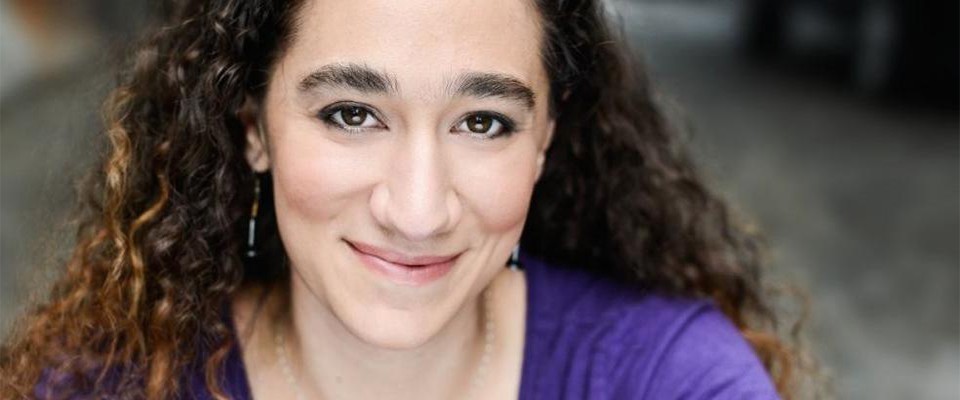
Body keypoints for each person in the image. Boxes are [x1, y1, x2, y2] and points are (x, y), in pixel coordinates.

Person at [1, 0, 811, 398]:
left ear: (544, 140)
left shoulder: (672, 380)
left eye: (484, 122)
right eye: (352, 115)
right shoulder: (109, 385)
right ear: (253, 128)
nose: (418, 211)